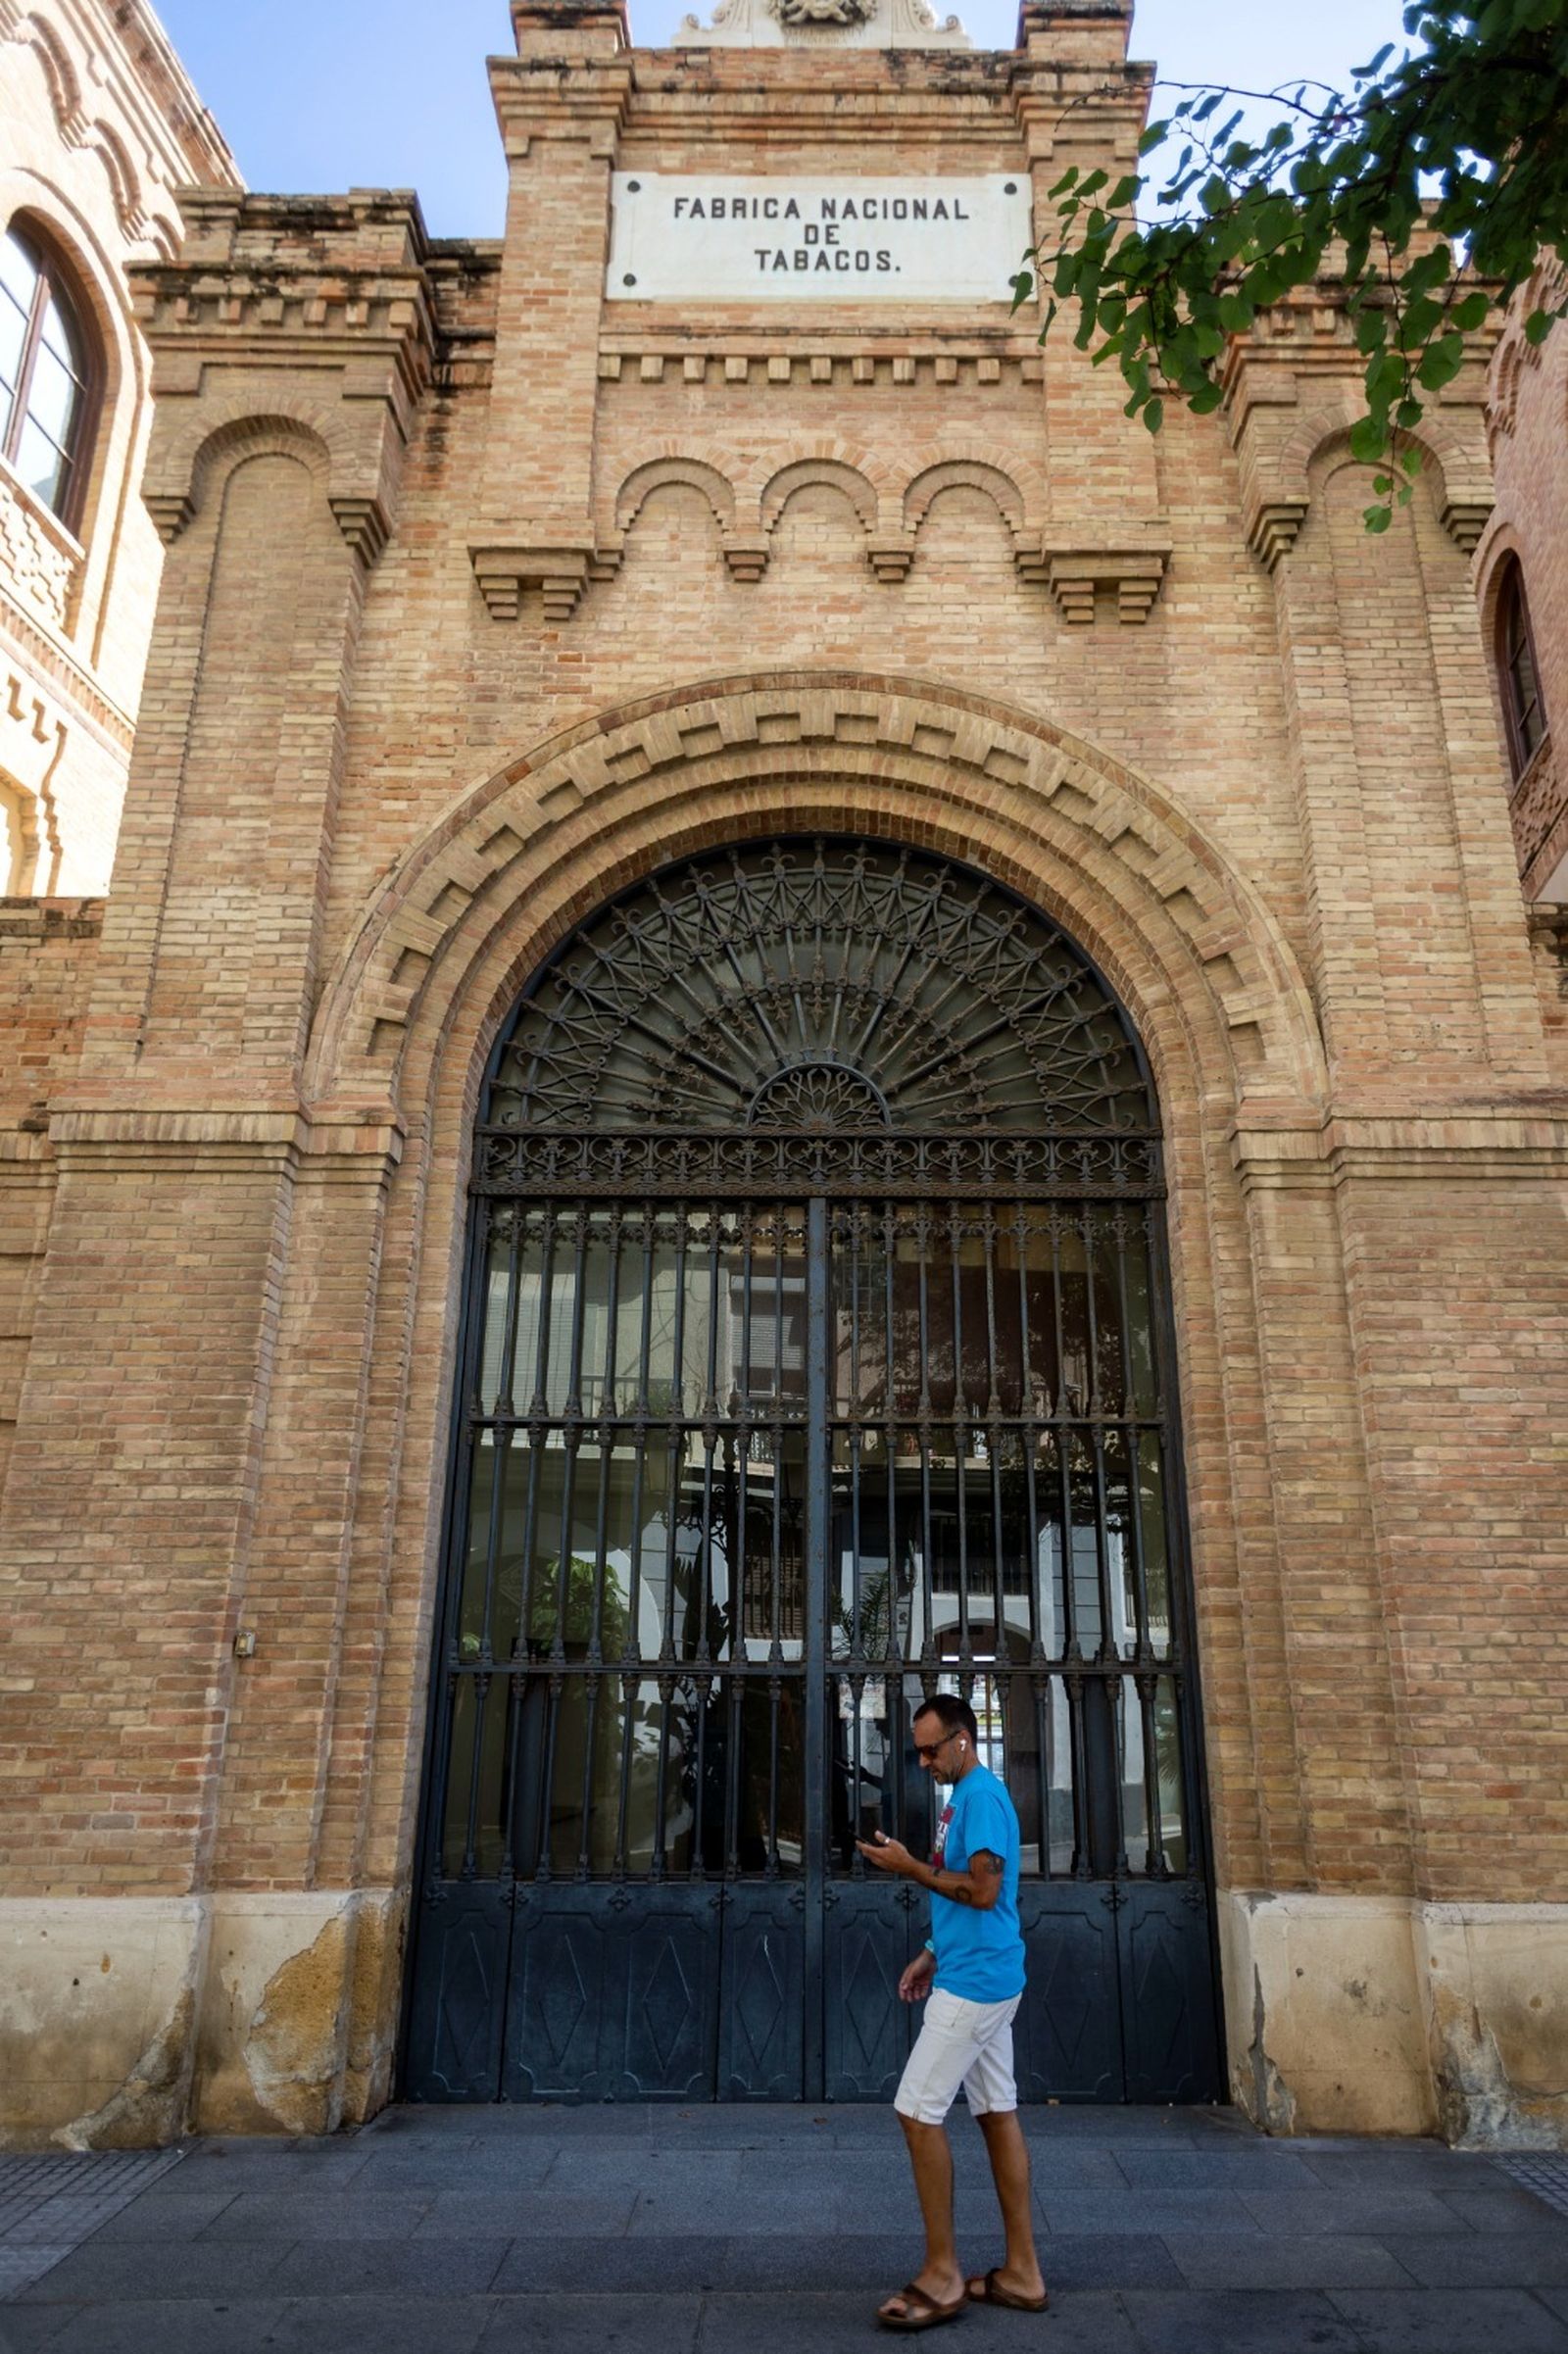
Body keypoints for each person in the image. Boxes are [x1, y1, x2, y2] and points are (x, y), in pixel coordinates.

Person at [856, 1692, 1049, 2332]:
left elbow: (986, 1888)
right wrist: (932, 1950)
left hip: (976, 1988)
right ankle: (1022, 2273)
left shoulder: (982, 1798)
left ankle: (942, 2273)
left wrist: (908, 1867)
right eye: (918, 1750)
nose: (923, 1760)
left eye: (931, 1748)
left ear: (962, 1740)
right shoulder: (959, 1798)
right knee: (996, 2113)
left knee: (916, 2110)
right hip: (976, 1971)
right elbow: (970, 1895)